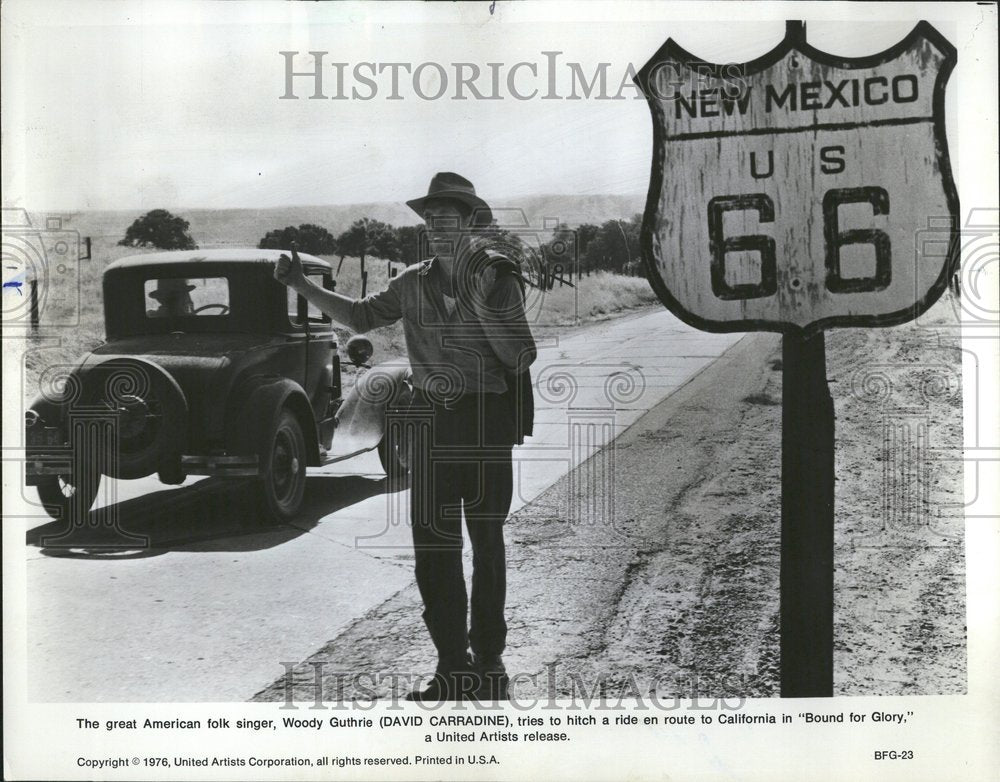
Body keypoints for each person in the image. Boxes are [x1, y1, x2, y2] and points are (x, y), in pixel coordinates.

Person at [274, 172, 536, 701]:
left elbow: (521, 355)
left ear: (469, 224)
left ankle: (488, 661)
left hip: (486, 421)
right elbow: (360, 317)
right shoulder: (412, 282)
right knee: (433, 550)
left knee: (486, 544)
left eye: (449, 220)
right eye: (431, 221)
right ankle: (450, 667)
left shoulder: (498, 277)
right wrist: (302, 286)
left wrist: (479, 305)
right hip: (434, 423)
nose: (439, 229)